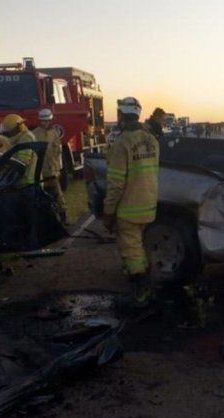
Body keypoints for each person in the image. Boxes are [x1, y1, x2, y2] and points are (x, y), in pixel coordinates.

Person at [101, 97, 159, 308]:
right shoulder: (151, 140)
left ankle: (140, 296)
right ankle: (146, 290)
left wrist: (108, 212)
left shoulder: (122, 142)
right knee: (140, 249)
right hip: (149, 206)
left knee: (131, 252)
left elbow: (116, 183)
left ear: (120, 115)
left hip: (129, 210)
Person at [32, 109, 68, 221]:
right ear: (40, 120)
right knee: (41, 195)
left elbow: (58, 152)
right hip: (39, 172)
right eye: (43, 121)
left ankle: (63, 216)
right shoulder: (34, 134)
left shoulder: (54, 134)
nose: (45, 123)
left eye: (47, 121)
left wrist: (59, 169)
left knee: (58, 195)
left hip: (53, 170)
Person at [0, 114, 37, 186]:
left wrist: (7, 164)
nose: (9, 133)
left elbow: (23, 161)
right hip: (23, 181)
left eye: (10, 130)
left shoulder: (26, 138)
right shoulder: (19, 138)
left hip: (28, 182)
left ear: (16, 128)